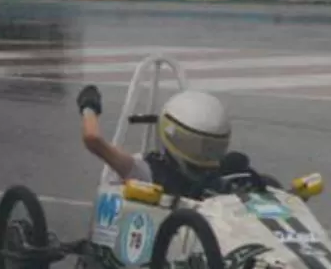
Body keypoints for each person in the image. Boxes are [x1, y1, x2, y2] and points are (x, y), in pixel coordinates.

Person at [77, 84, 234, 196]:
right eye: (196, 145)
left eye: (213, 148)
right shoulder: (145, 172)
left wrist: (88, 107)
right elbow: (93, 139)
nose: (204, 156)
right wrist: (89, 107)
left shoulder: (222, 177)